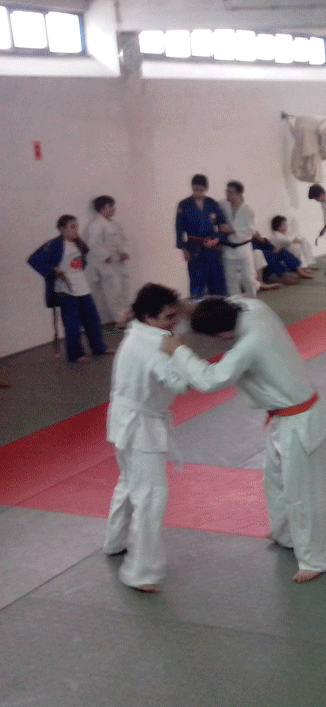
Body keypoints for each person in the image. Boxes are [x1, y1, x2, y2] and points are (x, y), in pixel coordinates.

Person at [161, 297, 326, 583]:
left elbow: (210, 380)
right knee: (275, 481)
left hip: (300, 422)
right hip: (284, 418)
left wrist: (178, 350)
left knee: (302, 493)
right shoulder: (253, 308)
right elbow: (226, 300)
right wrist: (187, 305)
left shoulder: (250, 344)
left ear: (223, 335)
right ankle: (286, 534)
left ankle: (316, 559)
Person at [103, 284, 187, 593]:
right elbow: (178, 382)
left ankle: (115, 541)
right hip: (140, 427)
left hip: (123, 419)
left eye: (175, 315)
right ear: (149, 316)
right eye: (168, 317)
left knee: (129, 483)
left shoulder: (138, 332)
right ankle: (140, 572)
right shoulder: (153, 345)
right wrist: (178, 352)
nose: (174, 322)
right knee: (151, 495)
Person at [27, 215, 113, 363]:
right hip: (65, 290)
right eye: (72, 227)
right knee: (72, 324)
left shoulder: (79, 243)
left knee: (92, 319)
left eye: (76, 226)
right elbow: (33, 260)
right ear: (62, 229)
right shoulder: (53, 245)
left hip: (82, 287)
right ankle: (76, 354)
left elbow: (81, 261)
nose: (75, 230)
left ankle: (98, 347)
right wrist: (53, 269)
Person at [175, 174, 229, 299]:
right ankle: (197, 306)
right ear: (192, 188)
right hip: (194, 249)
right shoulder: (184, 205)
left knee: (217, 285)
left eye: (201, 189)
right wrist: (184, 249)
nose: (198, 192)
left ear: (206, 188)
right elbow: (179, 228)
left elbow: (223, 226)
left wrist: (217, 239)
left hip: (213, 248)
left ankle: (219, 306)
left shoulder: (212, 203)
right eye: (195, 189)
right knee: (197, 284)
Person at [84, 195, 130, 323]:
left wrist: (124, 252)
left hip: (118, 263)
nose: (113, 209)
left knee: (123, 289)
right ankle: (119, 319)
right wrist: (105, 256)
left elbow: (123, 241)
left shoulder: (115, 225)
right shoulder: (96, 225)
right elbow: (93, 244)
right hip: (107, 265)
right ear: (101, 209)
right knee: (114, 292)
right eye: (110, 206)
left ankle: (126, 316)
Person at [219, 181, 260, 298]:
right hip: (228, 248)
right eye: (227, 191)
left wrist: (233, 230)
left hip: (244, 247)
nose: (227, 194)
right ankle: (235, 304)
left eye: (230, 192)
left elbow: (252, 229)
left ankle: (253, 301)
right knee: (231, 280)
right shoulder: (222, 205)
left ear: (239, 194)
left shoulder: (248, 209)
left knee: (249, 278)